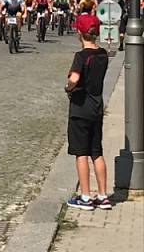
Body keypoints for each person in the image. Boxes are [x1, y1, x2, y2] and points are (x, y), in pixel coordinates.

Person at [65, 13, 111, 211]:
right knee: (97, 152)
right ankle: (102, 196)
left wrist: (68, 87)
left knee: (81, 153)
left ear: (79, 32)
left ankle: (85, 197)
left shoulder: (81, 56)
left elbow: (75, 78)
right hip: (97, 107)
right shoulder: (103, 54)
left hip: (80, 108)